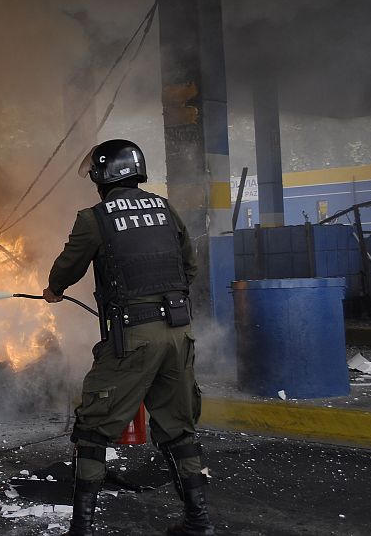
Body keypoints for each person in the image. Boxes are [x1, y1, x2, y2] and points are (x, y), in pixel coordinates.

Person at [43, 139, 214, 536]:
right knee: (179, 429)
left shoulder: (95, 218)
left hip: (133, 337)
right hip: (178, 332)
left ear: (104, 176)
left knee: (92, 429)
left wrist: (54, 289)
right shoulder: (164, 209)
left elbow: (69, 266)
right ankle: (198, 522)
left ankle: (81, 529)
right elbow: (190, 265)